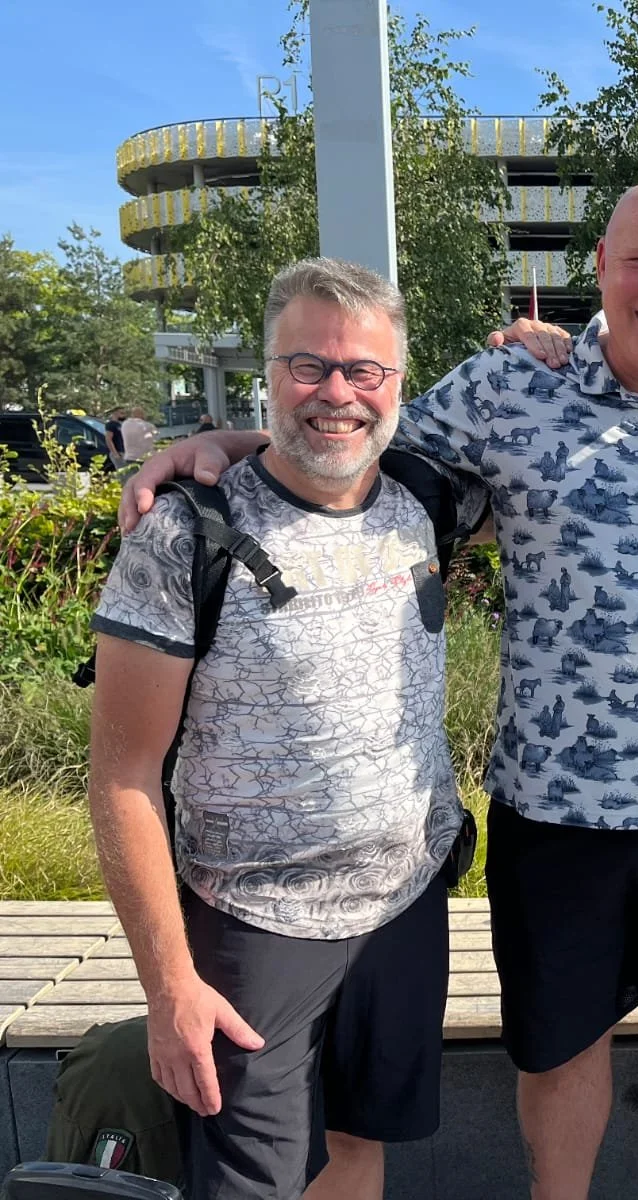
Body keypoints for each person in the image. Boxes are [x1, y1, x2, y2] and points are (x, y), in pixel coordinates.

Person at [119, 180, 638, 1200]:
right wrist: (217, 447)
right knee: (556, 1043)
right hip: (555, 803)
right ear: (602, 271)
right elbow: (342, 439)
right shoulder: (506, 390)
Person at [90, 257, 485, 1200]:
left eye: (365, 372)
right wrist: (167, 986)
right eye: (307, 367)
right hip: (253, 930)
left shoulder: (428, 500)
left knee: (357, 1149)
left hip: (404, 906)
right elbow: (122, 781)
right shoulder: (185, 536)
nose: (337, 394)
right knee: (251, 1188)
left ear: (398, 383)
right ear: (267, 372)